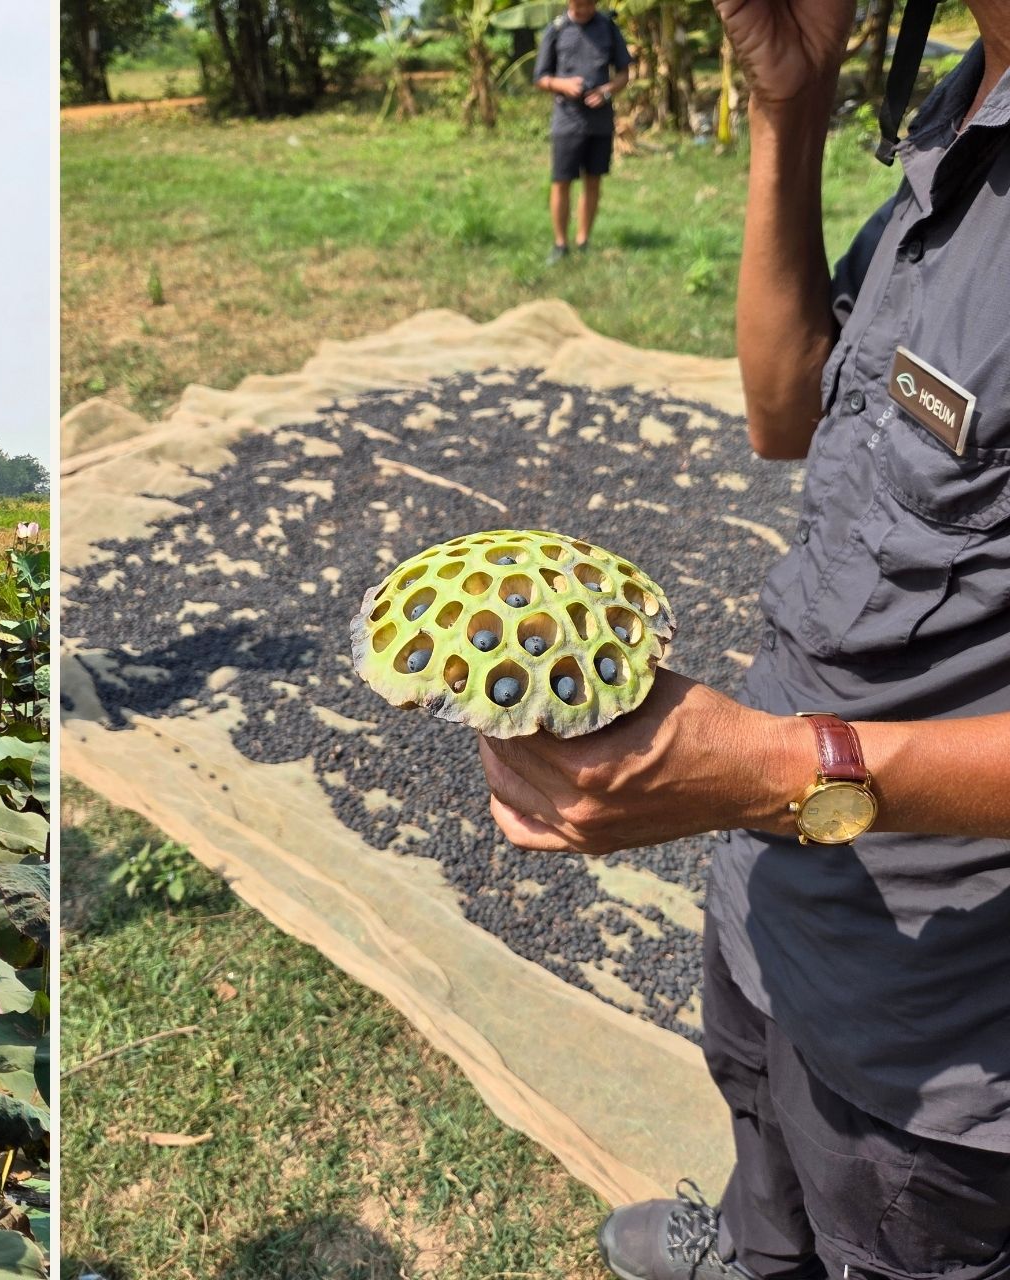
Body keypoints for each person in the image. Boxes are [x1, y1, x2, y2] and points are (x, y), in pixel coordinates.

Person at [478, 0, 1010, 1273]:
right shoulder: (965, 99)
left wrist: (786, 768)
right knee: (763, 1128)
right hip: (785, 881)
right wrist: (790, 104)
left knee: (878, 1209)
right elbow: (785, 410)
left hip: (941, 1014)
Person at [533, 0, 631, 264]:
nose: (584, 10)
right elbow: (540, 77)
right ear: (568, 2)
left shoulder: (608, 28)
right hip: (567, 120)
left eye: (589, 5)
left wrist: (606, 91)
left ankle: (583, 239)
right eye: (579, 6)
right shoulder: (555, 29)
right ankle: (560, 244)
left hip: (600, 122)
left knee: (594, 180)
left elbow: (624, 73)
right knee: (561, 181)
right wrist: (562, 84)